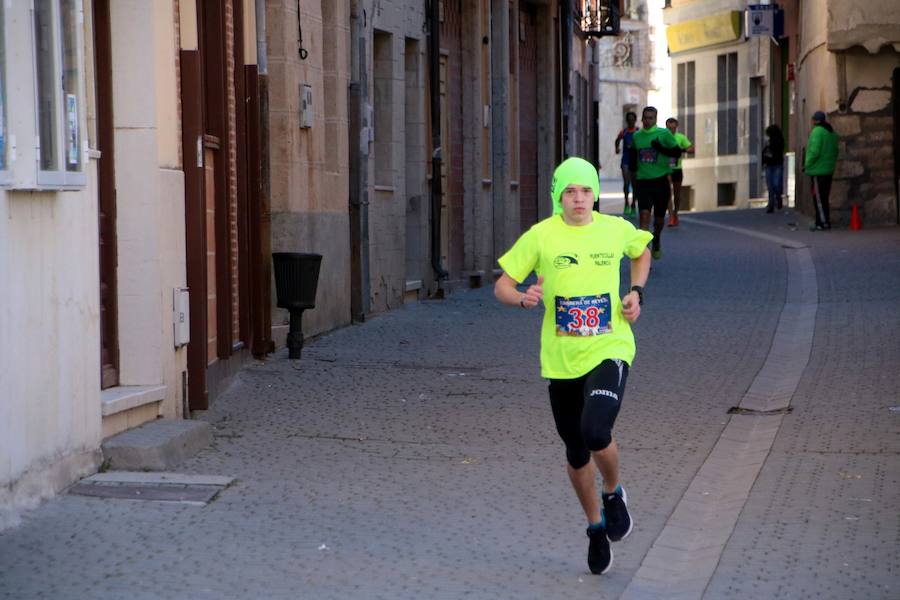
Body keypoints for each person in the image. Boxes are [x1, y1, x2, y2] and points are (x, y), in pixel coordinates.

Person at [494, 156, 652, 575]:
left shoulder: (615, 229)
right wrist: (523, 297)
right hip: (561, 360)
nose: (579, 199)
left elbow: (641, 251)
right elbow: (502, 286)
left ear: (594, 194)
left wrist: (636, 291)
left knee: (596, 430)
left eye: (585, 191)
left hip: (609, 347)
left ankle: (614, 491)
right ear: (558, 197)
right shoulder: (541, 236)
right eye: (570, 192)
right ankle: (595, 527)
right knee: (577, 451)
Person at [629, 107, 681, 259]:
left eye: (650, 118)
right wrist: (633, 170)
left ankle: (656, 238)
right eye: (645, 117)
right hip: (643, 182)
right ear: (642, 119)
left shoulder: (664, 134)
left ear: (656, 119)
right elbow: (633, 157)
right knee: (644, 216)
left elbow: (677, 152)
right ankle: (644, 255)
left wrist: (660, 148)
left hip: (661, 181)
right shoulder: (637, 136)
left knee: (658, 220)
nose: (647, 121)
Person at [804, 111, 838, 230]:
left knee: (818, 198)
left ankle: (822, 222)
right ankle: (824, 221)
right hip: (828, 169)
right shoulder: (832, 132)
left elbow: (814, 151)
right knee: (824, 197)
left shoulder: (817, 131)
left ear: (814, 120)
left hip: (818, 170)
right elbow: (835, 150)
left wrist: (806, 164)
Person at [664, 118, 694, 227]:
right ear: (666, 127)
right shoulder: (663, 137)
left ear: (676, 127)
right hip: (666, 169)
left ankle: (675, 213)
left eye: (673, 128)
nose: (671, 130)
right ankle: (671, 216)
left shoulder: (681, 137)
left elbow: (692, 149)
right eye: (669, 128)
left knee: (677, 194)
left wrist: (682, 150)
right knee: (668, 193)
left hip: (677, 169)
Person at [614, 112, 639, 217]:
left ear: (635, 120)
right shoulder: (623, 132)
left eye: (632, 119)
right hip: (625, 161)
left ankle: (633, 205)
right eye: (629, 119)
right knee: (626, 183)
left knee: (635, 184)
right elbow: (617, 140)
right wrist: (617, 148)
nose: (630, 121)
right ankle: (626, 204)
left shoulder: (638, 132)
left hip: (636, 161)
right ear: (626, 121)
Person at [762, 124, 786, 213]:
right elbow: (764, 152)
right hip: (769, 165)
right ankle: (771, 204)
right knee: (770, 186)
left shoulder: (779, 141)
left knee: (776, 184)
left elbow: (777, 151)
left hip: (777, 165)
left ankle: (778, 198)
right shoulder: (768, 142)